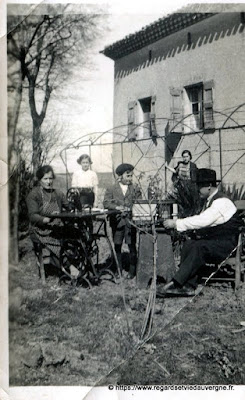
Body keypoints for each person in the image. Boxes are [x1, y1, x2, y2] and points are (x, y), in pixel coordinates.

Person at [157, 168, 243, 297]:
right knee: (190, 243)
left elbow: (203, 221)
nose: (197, 189)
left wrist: (176, 223)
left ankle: (176, 283)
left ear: (208, 186)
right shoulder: (211, 201)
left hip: (229, 246)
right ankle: (188, 286)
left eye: (199, 186)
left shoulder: (221, 202)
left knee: (198, 247)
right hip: (218, 242)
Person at [26, 165, 69, 273]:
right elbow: (32, 215)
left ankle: (68, 266)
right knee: (59, 244)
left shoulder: (57, 193)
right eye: (45, 179)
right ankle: (69, 269)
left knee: (74, 239)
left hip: (56, 227)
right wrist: (48, 219)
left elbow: (68, 206)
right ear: (40, 180)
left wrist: (73, 205)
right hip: (40, 230)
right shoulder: (34, 194)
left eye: (50, 178)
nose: (49, 182)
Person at [103, 163, 141, 279]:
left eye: (131, 176)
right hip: (117, 222)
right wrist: (116, 207)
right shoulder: (111, 188)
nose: (130, 179)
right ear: (120, 176)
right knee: (117, 245)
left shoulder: (135, 188)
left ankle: (132, 271)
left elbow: (139, 202)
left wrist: (133, 209)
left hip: (130, 222)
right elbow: (106, 202)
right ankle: (118, 270)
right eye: (127, 176)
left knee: (131, 245)